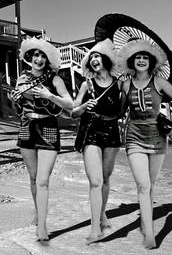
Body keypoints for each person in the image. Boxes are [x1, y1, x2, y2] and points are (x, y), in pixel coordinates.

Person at [117, 38, 172, 249]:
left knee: (150, 186)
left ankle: (145, 222)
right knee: (143, 185)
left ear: (151, 62)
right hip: (134, 136)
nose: (141, 60)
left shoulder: (160, 83)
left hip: (157, 137)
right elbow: (119, 112)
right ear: (131, 61)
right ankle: (150, 234)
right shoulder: (125, 84)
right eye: (138, 57)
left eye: (145, 57)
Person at [11, 37, 73, 241]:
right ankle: (38, 212)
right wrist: (14, 101)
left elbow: (70, 104)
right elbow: (17, 109)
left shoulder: (55, 80)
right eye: (36, 55)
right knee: (33, 177)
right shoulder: (21, 78)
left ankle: (43, 225)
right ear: (30, 57)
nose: (39, 59)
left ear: (48, 60)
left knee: (43, 180)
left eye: (43, 56)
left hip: (48, 127)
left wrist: (49, 95)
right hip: (26, 127)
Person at [72, 39, 123, 244]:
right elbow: (73, 112)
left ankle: (102, 214)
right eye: (91, 57)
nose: (94, 59)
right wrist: (85, 106)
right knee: (95, 182)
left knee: (105, 178)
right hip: (92, 130)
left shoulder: (120, 83)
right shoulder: (87, 84)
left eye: (97, 56)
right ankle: (95, 229)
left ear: (105, 60)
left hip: (111, 131)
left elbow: (124, 109)